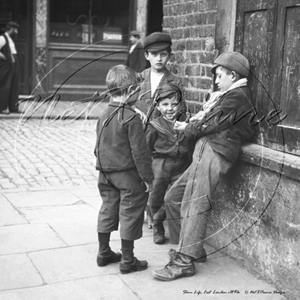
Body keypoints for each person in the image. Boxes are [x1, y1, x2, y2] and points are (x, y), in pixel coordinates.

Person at [152, 52, 255, 281]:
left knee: (194, 199)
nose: (216, 81)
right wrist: (193, 126)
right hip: (206, 147)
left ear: (233, 75)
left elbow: (209, 124)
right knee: (174, 196)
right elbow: (207, 121)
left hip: (214, 150)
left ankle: (184, 261)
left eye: (220, 76)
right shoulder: (226, 95)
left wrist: (187, 128)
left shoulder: (237, 96)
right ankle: (191, 249)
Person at [94, 64, 154, 274]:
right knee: (130, 211)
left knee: (108, 208)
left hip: (105, 173)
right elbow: (140, 152)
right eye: (136, 91)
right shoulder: (131, 117)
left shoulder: (103, 115)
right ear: (129, 91)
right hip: (126, 174)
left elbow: (97, 147)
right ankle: (128, 260)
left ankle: (103, 252)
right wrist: (148, 178)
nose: (137, 94)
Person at [146, 83, 190, 245]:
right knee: (157, 195)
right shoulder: (154, 126)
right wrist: (145, 173)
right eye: (165, 105)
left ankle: (162, 221)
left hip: (180, 164)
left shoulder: (185, 122)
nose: (170, 109)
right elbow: (146, 149)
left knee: (175, 196)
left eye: (174, 104)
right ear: (157, 106)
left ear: (180, 104)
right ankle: (158, 226)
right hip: (160, 165)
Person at [134, 31, 185, 122]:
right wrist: (135, 110)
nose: (159, 59)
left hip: (162, 134)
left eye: (163, 54)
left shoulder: (175, 82)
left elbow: (181, 113)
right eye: (154, 54)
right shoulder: (137, 79)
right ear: (146, 56)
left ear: (169, 56)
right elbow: (123, 106)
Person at [0, 21, 21, 114]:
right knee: (6, 85)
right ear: (11, 29)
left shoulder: (11, 39)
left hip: (14, 64)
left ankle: (13, 107)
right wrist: (2, 56)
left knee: (14, 86)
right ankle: (2, 107)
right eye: (15, 29)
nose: (16, 32)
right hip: (7, 65)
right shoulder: (2, 38)